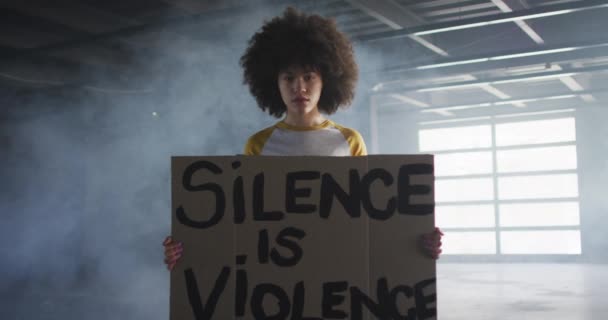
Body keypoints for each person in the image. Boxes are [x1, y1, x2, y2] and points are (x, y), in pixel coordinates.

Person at [163, 7, 442, 271]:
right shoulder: (258, 145)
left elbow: (371, 218)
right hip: (276, 279)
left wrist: (415, 243)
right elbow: (240, 223)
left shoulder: (349, 141)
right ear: (275, 83)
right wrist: (190, 249)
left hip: (338, 272)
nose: (300, 87)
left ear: (327, 80)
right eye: (288, 77)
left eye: (309, 76)